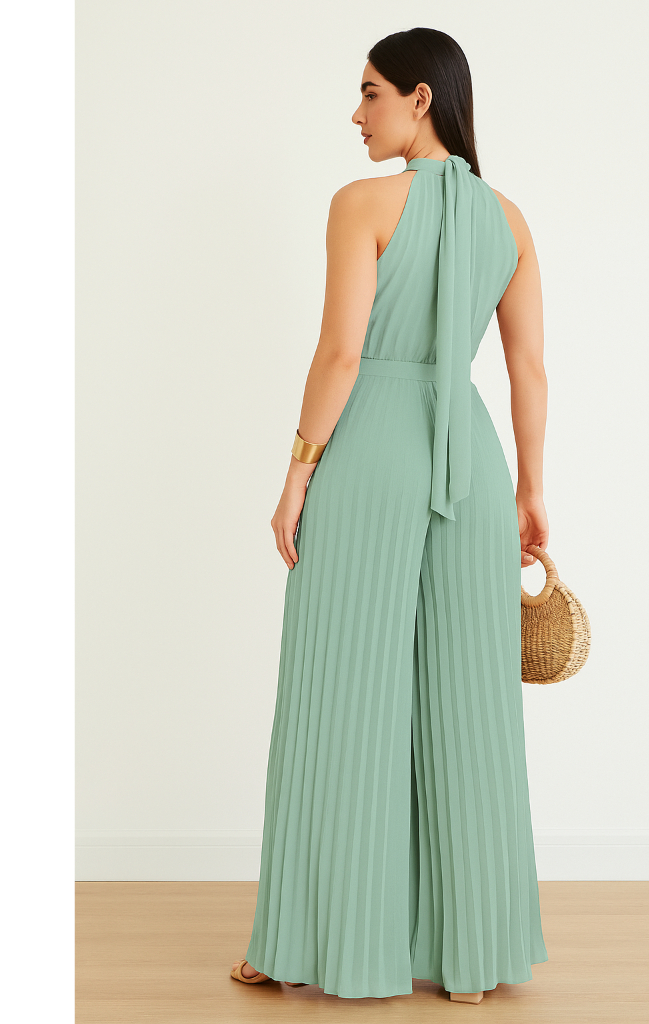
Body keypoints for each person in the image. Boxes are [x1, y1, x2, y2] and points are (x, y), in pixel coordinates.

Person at [230, 27, 549, 1003]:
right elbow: (528, 369)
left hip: (371, 451)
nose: (355, 113)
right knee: (470, 709)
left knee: (339, 698)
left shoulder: (361, 204)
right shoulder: (508, 220)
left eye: (369, 92)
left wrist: (296, 475)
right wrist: (531, 491)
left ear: (420, 97)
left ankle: (307, 945)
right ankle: (472, 959)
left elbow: (340, 353)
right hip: (472, 462)